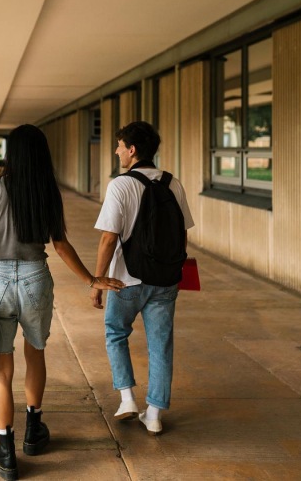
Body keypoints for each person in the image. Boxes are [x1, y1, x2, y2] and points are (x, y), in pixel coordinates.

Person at [0, 124, 124, 480]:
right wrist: (91, 279)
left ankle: (6, 451)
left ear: (11, 154)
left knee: (1, 368)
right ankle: (34, 432)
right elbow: (60, 245)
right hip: (36, 278)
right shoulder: (47, 191)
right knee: (35, 351)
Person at [90, 121, 194, 435]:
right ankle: (155, 413)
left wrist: (97, 280)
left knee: (116, 333)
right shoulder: (173, 183)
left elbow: (109, 238)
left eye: (120, 145)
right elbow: (182, 236)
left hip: (125, 280)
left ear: (132, 150)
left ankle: (126, 399)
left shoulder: (120, 185)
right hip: (165, 280)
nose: (117, 151)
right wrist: (176, 274)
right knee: (161, 345)